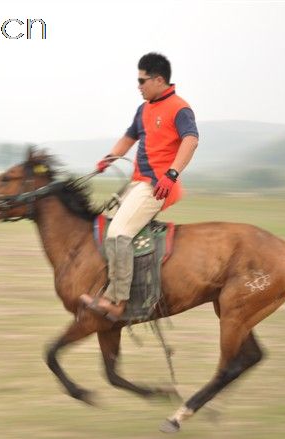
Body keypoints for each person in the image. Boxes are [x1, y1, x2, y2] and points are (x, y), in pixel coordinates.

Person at [80, 52, 199, 321]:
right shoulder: (144, 109)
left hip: (157, 186)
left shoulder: (180, 108)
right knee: (106, 226)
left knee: (119, 232)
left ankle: (117, 300)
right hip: (137, 184)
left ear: (159, 80)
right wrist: (108, 159)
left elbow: (190, 141)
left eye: (142, 80)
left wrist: (172, 174)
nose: (138, 86)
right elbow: (129, 137)